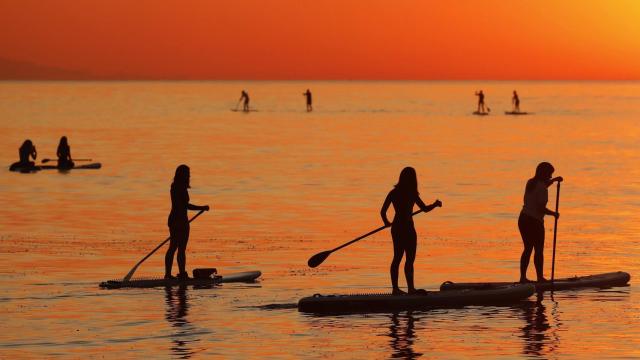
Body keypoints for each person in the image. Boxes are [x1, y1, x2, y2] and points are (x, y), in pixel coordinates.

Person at [380, 167, 442, 295]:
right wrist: (435, 204)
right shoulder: (411, 193)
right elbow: (425, 209)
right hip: (406, 228)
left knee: (399, 258)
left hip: (397, 227)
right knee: (407, 259)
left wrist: (386, 222)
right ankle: (407, 289)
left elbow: (383, 212)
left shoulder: (394, 193)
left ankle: (398, 289)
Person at [518, 162, 563, 283]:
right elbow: (540, 208)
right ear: (544, 173)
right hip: (534, 222)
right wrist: (554, 214)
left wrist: (554, 180)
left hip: (523, 219)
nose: (550, 176)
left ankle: (522, 278)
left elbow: (543, 185)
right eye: (549, 174)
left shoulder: (531, 183)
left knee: (527, 249)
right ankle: (540, 278)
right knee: (538, 250)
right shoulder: (542, 188)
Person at [165, 165, 210, 280]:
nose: (189, 176)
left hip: (174, 220)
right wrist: (202, 207)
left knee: (173, 247)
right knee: (180, 249)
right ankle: (181, 274)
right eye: (187, 174)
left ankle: (169, 275)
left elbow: (183, 205)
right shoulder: (180, 188)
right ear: (182, 175)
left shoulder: (174, 187)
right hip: (180, 221)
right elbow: (186, 206)